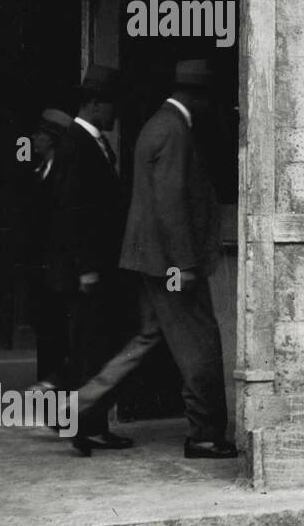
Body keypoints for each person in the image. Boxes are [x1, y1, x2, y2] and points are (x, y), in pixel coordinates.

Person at [71, 60, 236, 459]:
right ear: (197, 96)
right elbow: (169, 205)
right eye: (209, 100)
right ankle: (205, 436)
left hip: (151, 261)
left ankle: (76, 408)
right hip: (171, 265)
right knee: (201, 345)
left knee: (147, 339)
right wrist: (183, 264)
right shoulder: (175, 131)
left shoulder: (156, 125)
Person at [53, 66, 130, 438]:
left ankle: (78, 420)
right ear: (97, 103)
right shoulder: (76, 145)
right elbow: (72, 212)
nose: (116, 114)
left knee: (94, 343)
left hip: (99, 264)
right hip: (89, 267)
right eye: (112, 105)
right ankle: (85, 425)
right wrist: (86, 267)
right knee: (90, 345)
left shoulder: (92, 142)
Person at [29, 107, 74, 390]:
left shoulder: (63, 175)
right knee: (47, 333)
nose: (33, 139)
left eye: (39, 134)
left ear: (53, 139)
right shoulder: (39, 171)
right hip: (44, 270)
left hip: (60, 270)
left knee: (60, 336)